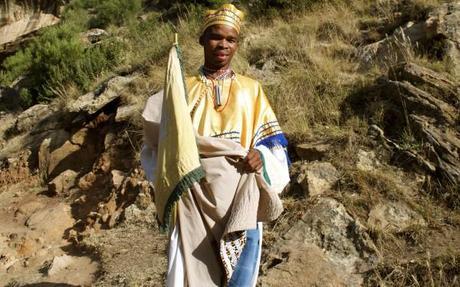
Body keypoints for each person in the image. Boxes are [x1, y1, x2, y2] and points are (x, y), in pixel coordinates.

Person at [141, 4, 290, 286]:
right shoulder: (180, 88)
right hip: (193, 200)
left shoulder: (251, 90)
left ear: (237, 44)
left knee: (240, 277)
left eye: (231, 39)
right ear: (202, 40)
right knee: (193, 275)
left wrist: (260, 156)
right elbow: (155, 147)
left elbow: (275, 148)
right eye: (216, 37)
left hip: (240, 199)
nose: (223, 44)